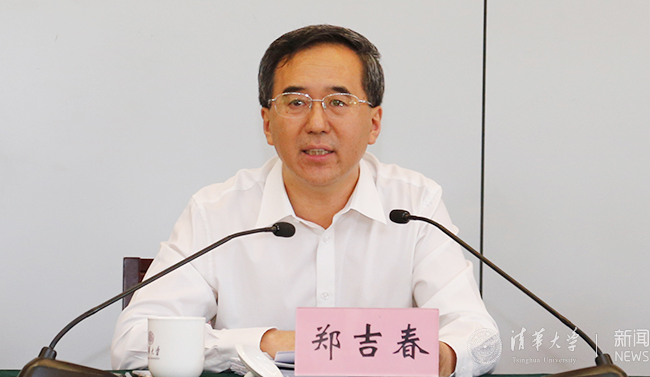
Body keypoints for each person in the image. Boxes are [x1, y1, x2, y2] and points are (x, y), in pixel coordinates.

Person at [111, 24, 500, 377]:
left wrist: (439, 356)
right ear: (267, 124)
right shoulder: (216, 212)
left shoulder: (415, 206)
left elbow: (478, 337)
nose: (316, 124)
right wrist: (271, 343)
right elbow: (135, 341)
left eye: (338, 102)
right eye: (296, 102)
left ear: (374, 124)